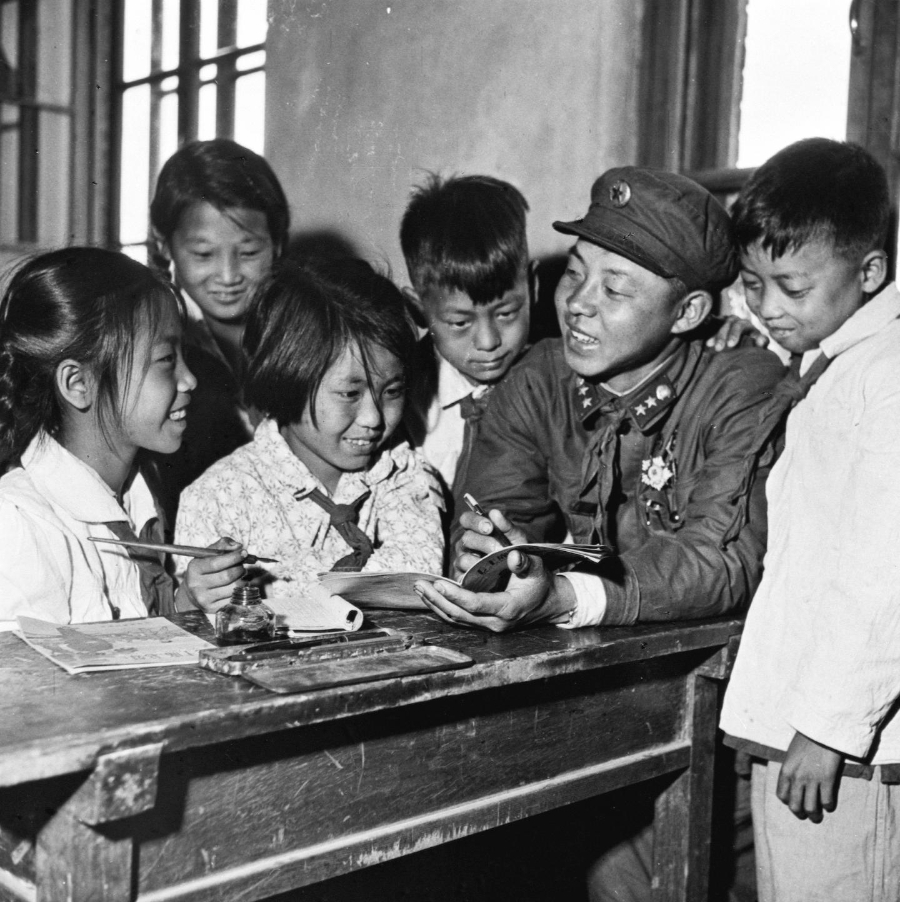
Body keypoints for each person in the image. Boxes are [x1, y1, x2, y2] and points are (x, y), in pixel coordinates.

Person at [415, 166, 784, 632]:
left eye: (613, 289)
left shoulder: (741, 386)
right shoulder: (537, 380)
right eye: (574, 273)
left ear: (688, 312)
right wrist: (495, 560)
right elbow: (499, 515)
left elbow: (721, 560)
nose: (576, 303)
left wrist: (564, 595)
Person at [719, 138, 900, 902]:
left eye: (790, 287)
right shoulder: (836, 357)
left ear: (870, 272)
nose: (767, 307)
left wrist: (827, 727)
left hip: (842, 744)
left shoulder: (886, 376)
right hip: (810, 724)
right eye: (752, 284)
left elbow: (886, 572)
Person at [0, 248, 247, 625]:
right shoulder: (19, 524)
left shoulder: (142, 494)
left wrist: (186, 602)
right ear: (78, 383)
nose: (189, 379)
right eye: (166, 360)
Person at [175, 258, 444, 598]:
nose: (373, 418)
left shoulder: (403, 475)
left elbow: (416, 580)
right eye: (349, 394)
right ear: (284, 381)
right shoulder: (218, 497)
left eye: (392, 391)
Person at [147, 138, 290, 523]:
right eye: (203, 254)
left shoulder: (297, 326)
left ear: (277, 243)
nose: (228, 276)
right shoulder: (151, 339)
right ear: (164, 245)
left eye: (248, 253)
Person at [399, 174, 533, 506]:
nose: (488, 342)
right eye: (459, 323)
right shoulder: (401, 399)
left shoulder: (553, 386)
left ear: (534, 287)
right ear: (418, 310)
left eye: (506, 313)